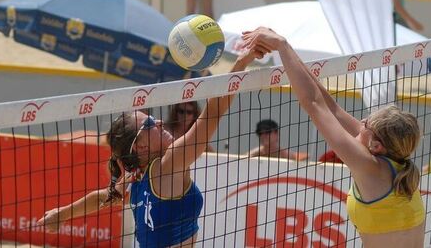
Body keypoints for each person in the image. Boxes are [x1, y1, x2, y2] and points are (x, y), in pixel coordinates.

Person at [36, 48, 264, 248]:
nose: (160, 122)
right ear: (141, 146)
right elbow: (213, 112)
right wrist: (241, 63)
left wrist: (61, 214)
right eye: (149, 124)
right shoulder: (168, 165)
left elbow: (104, 197)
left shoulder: (136, 175)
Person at [242, 27, 425, 248]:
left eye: (366, 123)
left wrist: (281, 45)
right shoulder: (397, 163)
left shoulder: (369, 165)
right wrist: (285, 49)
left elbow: (313, 104)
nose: (361, 122)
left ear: (376, 145)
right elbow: (332, 108)